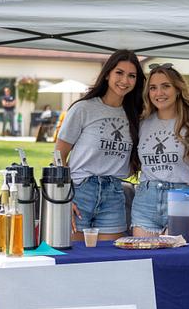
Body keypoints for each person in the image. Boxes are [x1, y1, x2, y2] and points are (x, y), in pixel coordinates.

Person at [56, 50, 145, 241]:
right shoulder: (84, 108)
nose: (125, 80)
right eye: (119, 73)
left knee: (110, 255)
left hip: (114, 194)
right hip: (79, 191)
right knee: (76, 254)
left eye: (132, 75)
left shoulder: (136, 114)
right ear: (107, 74)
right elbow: (59, 155)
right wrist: (64, 197)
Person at [131, 63, 189, 236]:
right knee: (145, 252)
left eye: (166, 86)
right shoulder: (142, 123)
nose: (159, 93)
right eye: (153, 88)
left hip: (182, 203)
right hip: (146, 204)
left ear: (178, 89)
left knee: (177, 253)